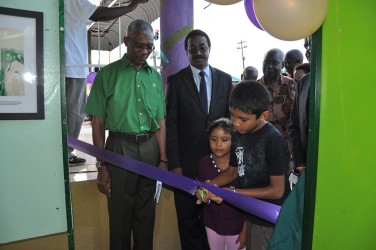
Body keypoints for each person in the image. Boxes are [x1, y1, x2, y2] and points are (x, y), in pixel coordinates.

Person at [84, 19, 167, 250]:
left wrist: (163, 159)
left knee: (146, 216)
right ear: (126, 42)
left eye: (149, 47)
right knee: (120, 219)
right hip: (119, 149)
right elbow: (98, 123)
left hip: (150, 149)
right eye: (140, 45)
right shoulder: (107, 75)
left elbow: (160, 122)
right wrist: (102, 165)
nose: (145, 51)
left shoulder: (154, 78)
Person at [165, 29, 233, 250]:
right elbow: (171, 126)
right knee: (188, 221)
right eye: (192, 48)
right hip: (186, 166)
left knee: (213, 220)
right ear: (186, 52)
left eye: (202, 47)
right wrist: (174, 164)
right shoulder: (175, 82)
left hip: (219, 166)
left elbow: (230, 125)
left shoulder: (224, 79)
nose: (198, 52)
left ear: (209, 49)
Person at [208, 80, 290, 250]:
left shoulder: (273, 140)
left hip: (269, 217)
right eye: (232, 115)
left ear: (263, 116)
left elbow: (277, 190)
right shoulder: (238, 133)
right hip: (251, 212)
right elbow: (232, 172)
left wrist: (232, 193)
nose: (235, 123)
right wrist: (211, 185)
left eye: (243, 119)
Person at [64, 0, 146, 166]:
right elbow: (98, 14)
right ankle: (66, 152)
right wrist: (130, 8)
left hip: (71, 66)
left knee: (73, 114)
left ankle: (65, 151)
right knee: (73, 114)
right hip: (71, 67)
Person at [197, 118, 246, 250]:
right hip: (212, 224)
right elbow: (202, 193)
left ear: (233, 141)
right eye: (214, 139)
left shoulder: (240, 166)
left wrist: (244, 230)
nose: (218, 144)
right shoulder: (204, 163)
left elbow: (247, 202)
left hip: (236, 225)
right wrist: (202, 196)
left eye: (224, 140)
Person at [257, 48, 296, 160]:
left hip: (287, 149)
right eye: (266, 62)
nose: (269, 66)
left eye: (274, 62)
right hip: (262, 147)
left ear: (282, 64)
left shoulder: (292, 85)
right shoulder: (255, 88)